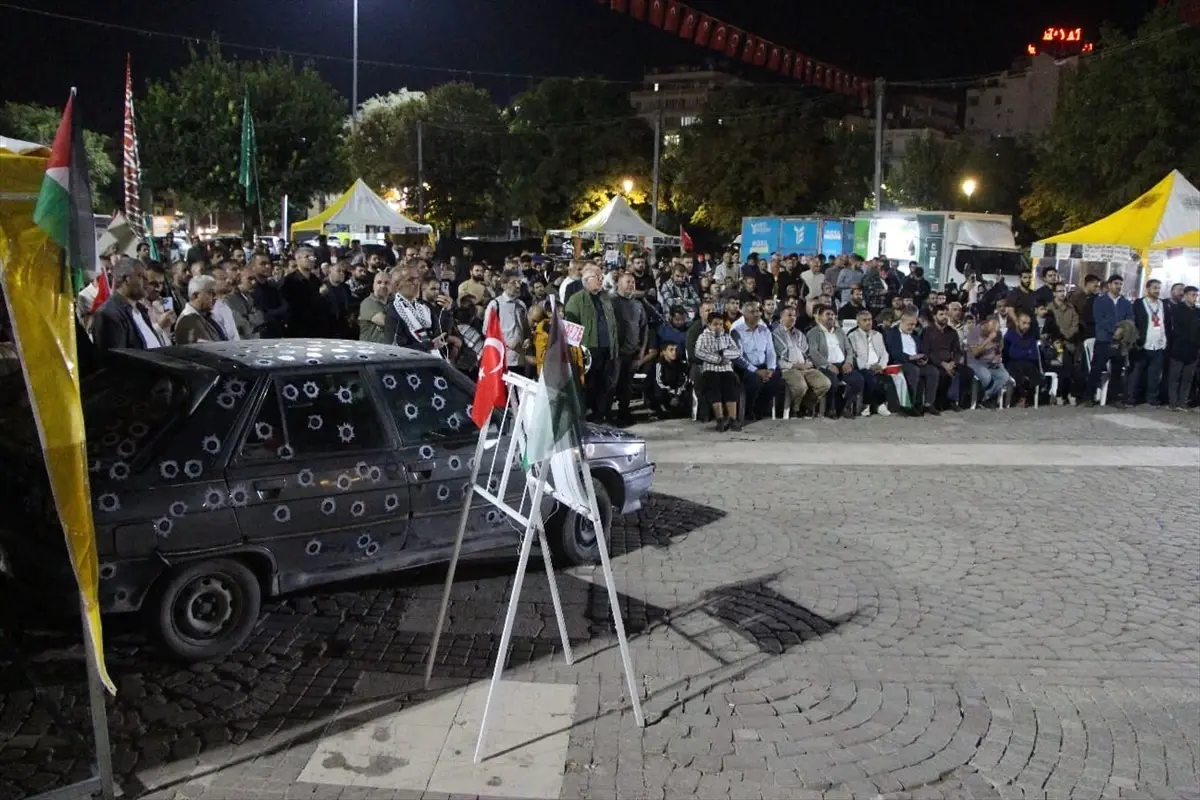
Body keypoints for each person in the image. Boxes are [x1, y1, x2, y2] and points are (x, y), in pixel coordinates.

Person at [565, 266, 620, 421]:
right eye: (597, 277)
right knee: (587, 386)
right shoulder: (576, 300)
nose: (601, 279)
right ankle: (584, 418)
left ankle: (600, 416)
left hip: (607, 349)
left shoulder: (606, 298)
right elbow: (570, 328)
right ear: (586, 281)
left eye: (601, 276)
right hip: (587, 351)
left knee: (605, 386)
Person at [91, 257, 160, 354]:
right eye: (141, 276)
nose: (146, 282)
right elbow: (116, 361)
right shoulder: (109, 314)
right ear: (127, 279)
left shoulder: (141, 310)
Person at [772, 305, 831, 417]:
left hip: (805, 368)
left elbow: (807, 353)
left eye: (794, 315)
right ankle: (795, 409)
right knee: (800, 386)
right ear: (781, 317)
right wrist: (794, 366)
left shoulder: (799, 334)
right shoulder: (775, 334)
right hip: (788, 369)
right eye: (789, 315)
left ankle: (805, 405)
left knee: (824, 383)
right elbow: (777, 359)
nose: (793, 318)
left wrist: (808, 363)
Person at [730, 300, 784, 422]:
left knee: (776, 378)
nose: (757, 314)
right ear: (744, 315)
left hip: (763, 365)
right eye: (752, 312)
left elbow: (771, 352)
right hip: (745, 367)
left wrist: (770, 369)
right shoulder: (737, 332)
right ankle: (748, 410)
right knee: (754, 380)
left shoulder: (765, 330)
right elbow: (737, 357)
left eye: (758, 311)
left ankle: (760, 409)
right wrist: (756, 371)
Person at [806, 304, 863, 419]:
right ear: (820, 317)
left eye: (832, 314)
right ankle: (830, 408)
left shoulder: (840, 332)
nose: (831, 317)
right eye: (827, 314)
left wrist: (848, 362)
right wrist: (827, 365)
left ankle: (845, 407)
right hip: (825, 365)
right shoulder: (813, 332)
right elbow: (813, 352)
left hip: (842, 365)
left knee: (858, 380)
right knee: (833, 381)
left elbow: (849, 349)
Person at [1085, 275, 1133, 408]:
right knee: (1096, 369)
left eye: (1120, 284)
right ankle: (1089, 396)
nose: (1118, 286)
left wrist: (1123, 330)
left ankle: (1114, 398)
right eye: (1116, 283)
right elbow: (1100, 319)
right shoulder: (1100, 301)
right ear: (1109, 285)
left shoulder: (1125, 303)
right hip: (1103, 339)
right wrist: (1114, 330)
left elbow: (1129, 319)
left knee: (1117, 370)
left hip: (1120, 342)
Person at [693, 312, 743, 432]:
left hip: (726, 369)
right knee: (712, 382)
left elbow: (736, 352)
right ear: (709, 324)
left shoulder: (726, 337)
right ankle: (720, 418)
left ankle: (732, 418)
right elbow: (699, 352)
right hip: (710, 369)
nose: (718, 327)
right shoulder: (703, 337)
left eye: (720, 324)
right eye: (715, 324)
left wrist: (724, 354)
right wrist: (717, 359)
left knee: (731, 381)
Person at [884, 311, 941, 415]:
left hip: (916, 363)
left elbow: (921, 351)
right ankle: (910, 405)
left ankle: (928, 404)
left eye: (914, 324)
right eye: (910, 324)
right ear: (902, 322)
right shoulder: (891, 333)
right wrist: (910, 357)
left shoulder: (915, 336)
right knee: (913, 370)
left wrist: (923, 359)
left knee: (933, 371)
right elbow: (892, 353)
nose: (913, 327)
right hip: (898, 364)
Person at [1127, 279, 1170, 406]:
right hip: (1143, 344)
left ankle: (1152, 398)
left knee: (1154, 374)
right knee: (1136, 373)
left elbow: (1165, 323)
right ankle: (1131, 398)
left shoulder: (1162, 305)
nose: (1157, 290)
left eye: (1158, 288)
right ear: (1147, 289)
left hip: (1158, 344)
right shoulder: (1139, 304)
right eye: (1154, 288)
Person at [847, 309, 892, 416]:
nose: (868, 322)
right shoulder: (852, 336)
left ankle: (878, 404)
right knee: (870, 377)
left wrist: (881, 365)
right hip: (863, 367)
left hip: (879, 366)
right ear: (858, 323)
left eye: (870, 320)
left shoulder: (878, 335)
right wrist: (869, 366)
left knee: (888, 375)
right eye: (865, 320)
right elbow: (854, 357)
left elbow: (885, 353)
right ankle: (868, 404)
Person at [965, 315, 1011, 408]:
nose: (994, 332)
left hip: (992, 362)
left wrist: (997, 359)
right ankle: (974, 397)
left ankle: (984, 397)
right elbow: (975, 353)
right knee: (986, 377)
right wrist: (988, 339)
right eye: (992, 329)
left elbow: (998, 350)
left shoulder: (998, 333)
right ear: (985, 324)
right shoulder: (974, 332)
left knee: (1005, 378)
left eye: (996, 329)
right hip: (975, 362)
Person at [1166, 286, 1199, 411]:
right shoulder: (1176, 309)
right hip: (1178, 348)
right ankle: (1173, 402)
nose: (1194, 298)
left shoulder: (1197, 312)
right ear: (1185, 295)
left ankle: (1182, 402)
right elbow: (1172, 329)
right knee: (1174, 378)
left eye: (1196, 295)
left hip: (1193, 350)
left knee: (1187, 378)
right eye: (1192, 295)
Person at [1002, 312, 1043, 406]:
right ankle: (1020, 396)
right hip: (1011, 363)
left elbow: (1034, 355)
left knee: (1033, 372)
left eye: (1028, 323)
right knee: (1018, 370)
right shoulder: (1010, 335)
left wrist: (1021, 352)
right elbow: (1011, 353)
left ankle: (1028, 397)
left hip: (1027, 363)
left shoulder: (1031, 336)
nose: (1026, 326)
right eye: (1024, 323)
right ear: (1018, 323)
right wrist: (1026, 352)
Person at [174, 274, 226, 344]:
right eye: (210, 293)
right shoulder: (187, 322)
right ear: (195, 296)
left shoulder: (207, 315)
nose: (215, 297)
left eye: (215, 293)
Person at [647, 341, 689, 418]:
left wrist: (677, 395)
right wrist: (671, 393)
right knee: (658, 392)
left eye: (676, 350)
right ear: (664, 352)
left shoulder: (680, 363)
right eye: (671, 350)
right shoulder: (659, 364)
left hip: (676, 390)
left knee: (687, 393)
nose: (674, 352)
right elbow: (659, 381)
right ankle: (661, 408)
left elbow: (683, 380)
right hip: (664, 390)